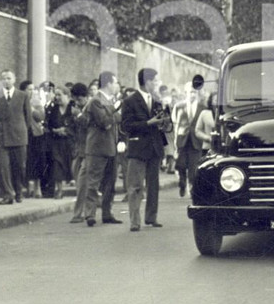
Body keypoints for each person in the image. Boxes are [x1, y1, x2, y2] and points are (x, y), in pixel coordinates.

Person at [121, 67, 171, 232]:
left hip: (154, 147)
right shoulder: (130, 101)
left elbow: (163, 125)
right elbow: (126, 126)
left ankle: (151, 217)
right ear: (148, 81)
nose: (157, 84)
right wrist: (149, 123)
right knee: (135, 186)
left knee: (153, 185)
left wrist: (164, 122)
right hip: (138, 148)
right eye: (155, 81)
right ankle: (135, 221)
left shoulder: (156, 101)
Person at [73, 70, 122, 227]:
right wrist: (117, 111)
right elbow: (105, 122)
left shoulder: (109, 100)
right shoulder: (96, 101)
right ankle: (90, 214)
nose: (117, 86)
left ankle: (107, 213)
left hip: (111, 147)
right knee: (93, 183)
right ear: (108, 84)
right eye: (115, 83)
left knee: (110, 183)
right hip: (97, 148)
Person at [0, 70, 31, 204]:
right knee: (3, 166)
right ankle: (8, 194)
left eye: (9, 78)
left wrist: (22, 130)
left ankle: (18, 191)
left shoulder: (23, 96)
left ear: (14, 80)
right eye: (3, 79)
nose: (6, 81)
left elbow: (28, 117)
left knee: (19, 165)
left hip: (19, 135)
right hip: (1, 135)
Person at [173, 75, 206, 197]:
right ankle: (182, 183)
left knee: (193, 168)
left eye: (194, 92)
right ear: (185, 93)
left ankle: (191, 188)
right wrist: (175, 144)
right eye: (189, 92)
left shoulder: (203, 107)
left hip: (196, 141)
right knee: (180, 165)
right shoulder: (179, 106)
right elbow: (176, 125)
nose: (191, 95)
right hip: (182, 140)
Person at [22, 79, 48, 198]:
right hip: (24, 133)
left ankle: (37, 188)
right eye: (29, 89)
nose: (32, 91)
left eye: (33, 89)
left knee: (38, 159)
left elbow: (41, 116)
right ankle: (28, 187)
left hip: (36, 133)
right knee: (27, 160)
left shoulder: (36, 101)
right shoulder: (19, 100)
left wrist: (31, 109)